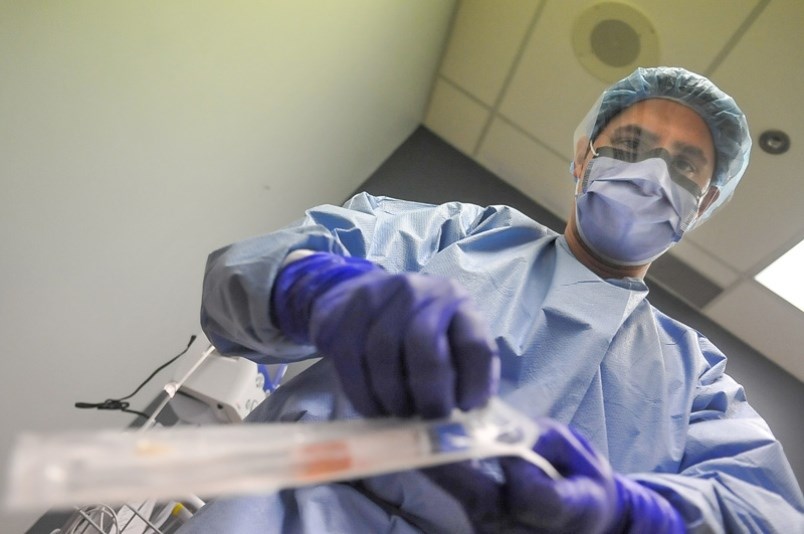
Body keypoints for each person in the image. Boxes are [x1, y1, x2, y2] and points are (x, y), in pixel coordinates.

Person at [182, 67, 804, 533]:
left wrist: (629, 514)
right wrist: (316, 291)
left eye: (684, 166)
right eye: (632, 146)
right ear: (585, 155)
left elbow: (763, 512)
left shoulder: (694, 374)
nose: (652, 174)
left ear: (706, 201)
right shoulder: (467, 235)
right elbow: (246, 276)